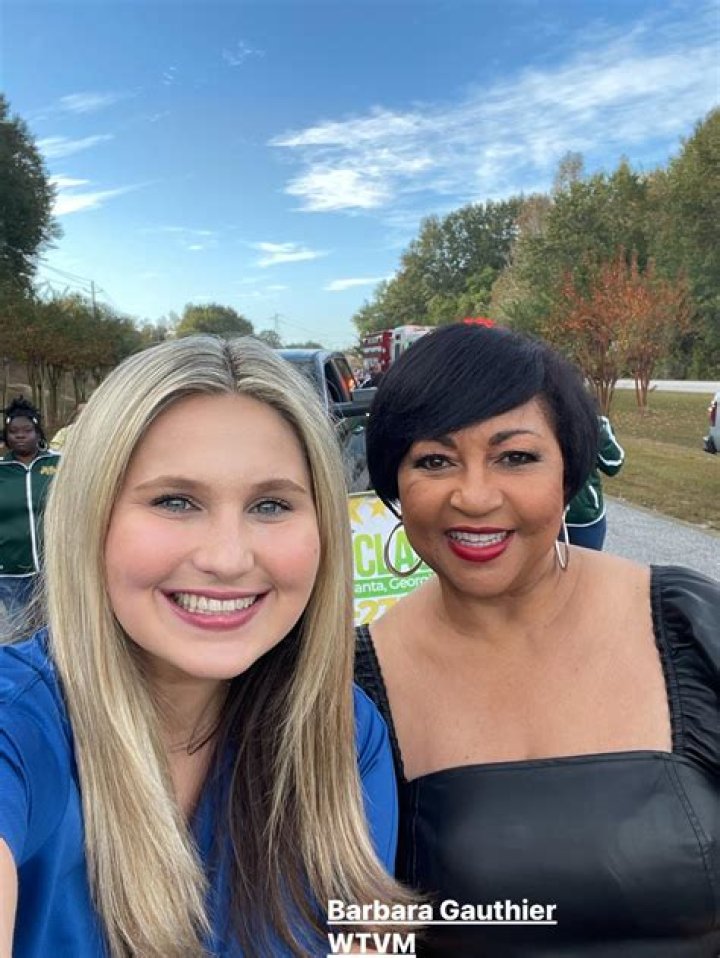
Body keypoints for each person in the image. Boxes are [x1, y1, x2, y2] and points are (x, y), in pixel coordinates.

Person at [0, 336, 410, 958]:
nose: (227, 557)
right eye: (175, 501)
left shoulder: (344, 732)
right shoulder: (18, 731)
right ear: (90, 517)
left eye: (270, 505)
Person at [355, 323, 719, 957]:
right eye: (434, 460)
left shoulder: (692, 627)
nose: (474, 497)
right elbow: (352, 930)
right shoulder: (351, 692)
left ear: (568, 471)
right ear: (394, 486)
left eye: (515, 457)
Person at [0, 397, 60, 624]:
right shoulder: (2, 469)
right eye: (13, 431)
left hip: (54, 567)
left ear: (38, 432)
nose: (20, 435)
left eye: (27, 430)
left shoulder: (58, 464)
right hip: (11, 571)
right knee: (20, 631)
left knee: (57, 628)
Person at [564, 414, 624, 550]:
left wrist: (599, 432)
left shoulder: (593, 424)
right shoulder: (542, 420)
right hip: (546, 514)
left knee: (586, 562)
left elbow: (613, 465)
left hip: (584, 517)